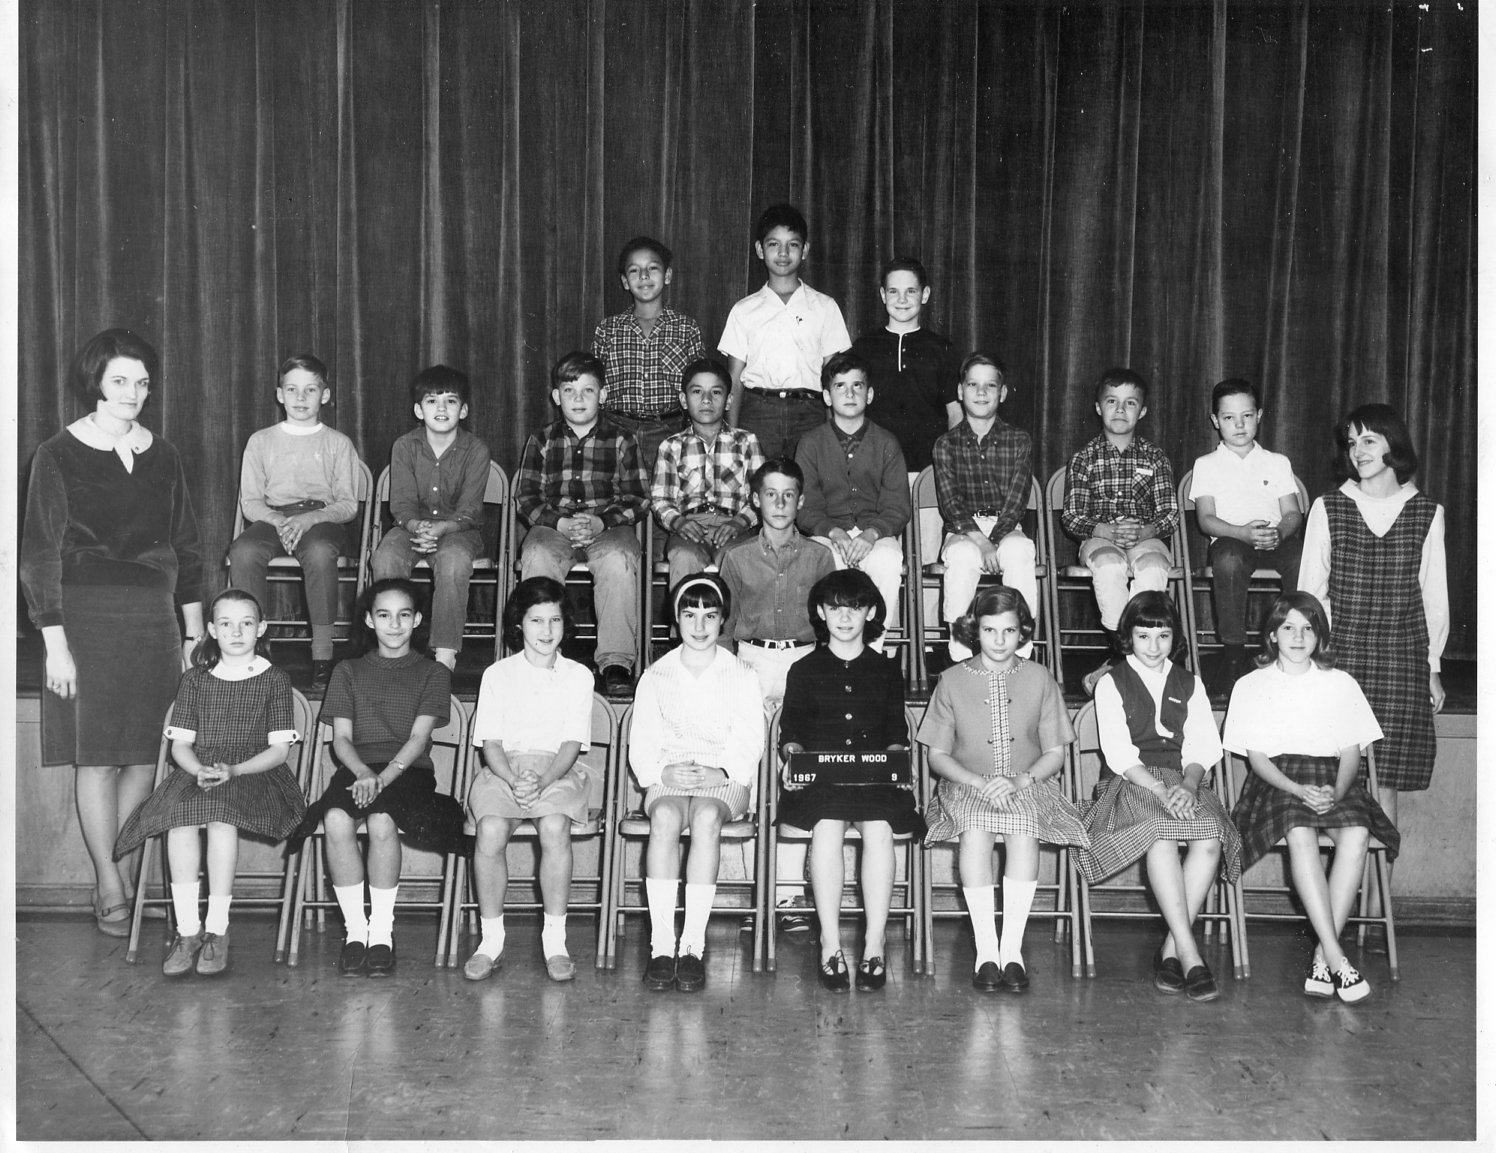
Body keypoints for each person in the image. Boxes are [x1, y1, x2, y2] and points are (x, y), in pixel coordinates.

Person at [21, 328, 206, 937]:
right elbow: (39, 555)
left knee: (144, 756)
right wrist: (55, 644)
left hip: (153, 619)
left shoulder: (165, 454)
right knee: (97, 757)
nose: (132, 392)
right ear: (96, 382)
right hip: (85, 620)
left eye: (142, 383)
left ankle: (124, 869)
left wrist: (192, 634)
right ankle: (108, 880)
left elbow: (187, 547)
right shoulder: (57, 453)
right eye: (120, 380)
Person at [1298, 403, 1446, 946]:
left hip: (1402, 659)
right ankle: (1333, 919)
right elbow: (1310, 592)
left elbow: (1434, 599)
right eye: (1351, 442)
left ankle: (1376, 916)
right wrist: (1311, 662)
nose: (1357, 452)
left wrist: (1432, 668)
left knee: (1387, 789)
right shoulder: (1328, 507)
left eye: (1368, 441)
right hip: (1342, 661)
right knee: (1339, 783)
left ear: (1392, 445)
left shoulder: (1427, 512)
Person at [113, 589, 307, 977]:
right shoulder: (195, 679)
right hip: (199, 770)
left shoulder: (274, 679)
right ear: (212, 630)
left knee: (220, 816)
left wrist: (235, 770)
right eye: (226, 623)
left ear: (261, 628)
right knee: (180, 820)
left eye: (246, 623)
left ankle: (217, 929)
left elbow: (278, 752)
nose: (236, 632)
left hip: (254, 772)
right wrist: (197, 769)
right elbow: (180, 746)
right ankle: (188, 931)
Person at [1223, 592, 1398, 1003]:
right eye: (1288, 628)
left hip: (1333, 778)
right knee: (1299, 830)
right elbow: (1257, 759)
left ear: (1320, 636)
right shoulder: (1251, 685)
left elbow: (1352, 752)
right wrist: (1298, 789)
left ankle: (1322, 956)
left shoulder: (1341, 683)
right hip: (1277, 781)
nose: (1298, 637)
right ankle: (1337, 957)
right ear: (1272, 635)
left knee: (1357, 832)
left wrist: (1337, 790)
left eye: (1307, 628)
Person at [289, 579, 463, 978]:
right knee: (335, 818)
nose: (394, 624)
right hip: (357, 769)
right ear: (369, 620)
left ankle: (381, 933)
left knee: (383, 820)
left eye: (404, 615)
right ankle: (356, 932)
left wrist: (382, 778)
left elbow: (418, 740)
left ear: (417, 620)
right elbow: (342, 740)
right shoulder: (348, 670)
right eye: (384, 615)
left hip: (408, 771)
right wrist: (364, 772)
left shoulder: (433, 672)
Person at [917, 586, 1087, 993]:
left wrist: (1019, 780)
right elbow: (937, 755)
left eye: (1009, 631)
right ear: (974, 630)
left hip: (1027, 782)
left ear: (1022, 631)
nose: (999, 640)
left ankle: (1011, 950)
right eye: (989, 630)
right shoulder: (951, 680)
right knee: (975, 832)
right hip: (967, 784)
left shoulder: (1040, 677)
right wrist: (978, 781)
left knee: (1023, 830)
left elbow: (1055, 754)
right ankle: (986, 952)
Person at [1075, 591, 1243, 1002]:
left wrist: (1188, 785)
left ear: (1174, 638)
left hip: (1184, 781)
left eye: (1163, 636)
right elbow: (1118, 753)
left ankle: (1171, 950)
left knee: (1210, 836)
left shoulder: (1190, 683)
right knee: (1161, 834)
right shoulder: (1111, 683)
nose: (1153, 646)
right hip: (1132, 782)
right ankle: (1190, 954)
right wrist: (1159, 789)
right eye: (1144, 636)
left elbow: (1203, 745)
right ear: (1128, 637)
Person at [776, 570, 922, 992]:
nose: (844, 617)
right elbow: (792, 734)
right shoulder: (802, 669)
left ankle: (875, 942)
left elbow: (895, 732)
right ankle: (830, 942)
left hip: (873, 781)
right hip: (822, 783)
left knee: (879, 829)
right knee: (826, 827)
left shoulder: (886, 670)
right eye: (835, 608)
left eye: (854, 608)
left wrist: (898, 763)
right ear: (821, 613)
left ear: (870, 613)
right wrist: (792, 759)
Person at [629, 575, 765, 993]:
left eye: (710, 615)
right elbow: (643, 743)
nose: (700, 625)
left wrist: (721, 772)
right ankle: (661, 946)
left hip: (722, 777)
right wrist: (661, 773)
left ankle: (692, 945)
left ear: (723, 619)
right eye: (690, 615)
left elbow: (749, 740)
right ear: (676, 619)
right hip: (670, 773)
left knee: (706, 817)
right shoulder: (656, 674)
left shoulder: (742, 673)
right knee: (665, 817)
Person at [463, 577, 596, 984]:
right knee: (489, 830)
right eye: (536, 620)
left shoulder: (578, 675)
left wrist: (543, 779)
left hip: (558, 769)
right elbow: (491, 743)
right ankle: (491, 941)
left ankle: (555, 941)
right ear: (519, 623)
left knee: (554, 826)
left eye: (555, 620)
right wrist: (512, 778)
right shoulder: (497, 674)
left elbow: (571, 744)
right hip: (503, 769)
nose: (546, 630)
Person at [515, 350, 649, 698]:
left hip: (607, 527)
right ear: (556, 396)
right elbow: (526, 498)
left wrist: (602, 522)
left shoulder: (622, 439)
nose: (578, 399)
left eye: (588, 390)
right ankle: (540, 653)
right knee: (536, 555)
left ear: (602, 395)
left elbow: (639, 498)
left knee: (619, 560)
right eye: (569, 391)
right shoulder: (542, 439)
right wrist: (558, 523)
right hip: (554, 525)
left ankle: (616, 663)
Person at [227, 353, 361, 689]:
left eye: (310, 390)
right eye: (292, 389)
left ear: (324, 395)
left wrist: (310, 519)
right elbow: (250, 502)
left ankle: (322, 656)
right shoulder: (260, 441)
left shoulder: (338, 443)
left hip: (320, 519)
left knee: (319, 552)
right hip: (274, 517)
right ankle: (255, 650)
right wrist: (278, 520)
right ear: (279, 394)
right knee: (244, 551)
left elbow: (347, 505)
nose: (300, 398)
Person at [1061, 367, 1179, 692]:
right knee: (1110, 565)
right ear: (1098, 407)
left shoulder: (1155, 458)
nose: (1120, 409)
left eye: (1130, 403)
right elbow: (1072, 517)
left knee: (1153, 567)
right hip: (1100, 538)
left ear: (1142, 411)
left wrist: (1146, 531)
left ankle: (1136, 652)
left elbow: (1170, 514)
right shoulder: (1084, 458)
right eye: (1112, 401)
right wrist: (1105, 531)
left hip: (1146, 538)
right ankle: (1122, 651)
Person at [370, 364, 492, 672]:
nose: (441, 408)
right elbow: (401, 504)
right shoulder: (404, 446)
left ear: (463, 410)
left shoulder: (476, 449)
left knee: (453, 562)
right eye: (432, 400)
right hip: (411, 528)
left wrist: (443, 528)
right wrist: (416, 526)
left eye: (450, 401)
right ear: (418, 409)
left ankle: (444, 658)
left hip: (459, 531)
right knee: (385, 558)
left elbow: (470, 509)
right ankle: (392, 649)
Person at [1187, 378, 1303, 692]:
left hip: (1274, 539)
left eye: (1247, 416)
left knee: (1302, 558)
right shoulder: (1207, 464)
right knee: (1227, 560)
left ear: (1259, 416)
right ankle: (1234, 654)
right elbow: (1206, 520)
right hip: (1232, 539)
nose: (1239, 425)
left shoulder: (1276, 462)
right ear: (1215, 421)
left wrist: (1280, 532)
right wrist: (1241, 532)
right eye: (1229, 417)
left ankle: (1294, 646)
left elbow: (1292, 513)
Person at [795, 350, 911, 652]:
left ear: (869, 394)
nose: (849, 394)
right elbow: (806, 508)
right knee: (821, 559)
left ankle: (872, 650)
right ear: (827, 396)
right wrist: (835, 533)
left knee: (888, 560)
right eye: (840, 386)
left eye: (857, 386)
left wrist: (872, 534)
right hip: (829, 534)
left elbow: (898, 506)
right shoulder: (810, 443)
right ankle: (829, 650)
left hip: (876, 534)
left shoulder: (886, 442)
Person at [720, 203, 851, 460]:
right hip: (757, 412)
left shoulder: (824, 306)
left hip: (810, 412)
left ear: (805, 250)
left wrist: (833, 431)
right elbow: (734, 380)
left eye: (792, 244)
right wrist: (732, 435)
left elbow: (832, 376)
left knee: (808, 481)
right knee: (757, 480)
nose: (783, 253)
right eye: (773, 244)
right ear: (760, 250)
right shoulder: (743, 310)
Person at [931, 352, 1039, 663]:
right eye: (973, 384)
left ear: (1002, 393)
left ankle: (1022, 651)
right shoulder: (945, 444)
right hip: (963, 531)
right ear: (960, 391)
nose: (981, 392)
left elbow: (1017, 502)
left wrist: (996, 539)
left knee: (1020, 551)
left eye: (990, 385)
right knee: (962, 556)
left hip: (1006, 527)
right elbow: (951, 504)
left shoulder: (1019, 440)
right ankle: (961, 653)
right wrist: (981, 541)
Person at [718, 459, 836, 709]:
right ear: (756, 499)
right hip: (752, 661)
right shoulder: (737, 557)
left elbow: (830, 624)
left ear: (800, 501)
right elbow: (725, 626)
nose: (780, 504)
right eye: (771, 494)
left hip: (804, 659)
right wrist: (725, 674)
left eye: (788, 495)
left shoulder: (820, 556)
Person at [592, 235, 706, 472]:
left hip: (669, 430)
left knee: (664, 491)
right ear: (625, 281)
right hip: (616, 429)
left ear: (667, 275)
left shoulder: (686, 328)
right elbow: (593, 383)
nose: (644, 276)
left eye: (652, 268)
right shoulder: (608, 329)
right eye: (634, 270)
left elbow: (699, 385)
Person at [650, 357, 764, 590]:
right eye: (697, 392)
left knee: (737, 558)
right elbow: (660, 500)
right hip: (688, 528)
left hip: (734, 526)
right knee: (684, 556)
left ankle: (733, 616)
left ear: (729, 400)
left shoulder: (746, 442)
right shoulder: (671, 446)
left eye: (716, 392)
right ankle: (683, 615)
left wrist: (739, 522)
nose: (706, 400)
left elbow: (761, 496)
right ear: (684, 400)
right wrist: (678, 522)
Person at [850, 256, 961, 474]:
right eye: (893, 291)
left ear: (925, 294)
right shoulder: (864, 347)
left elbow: (955, 412)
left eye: (910, 291)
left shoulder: (942, 349)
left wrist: (949, 463)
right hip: (876, 468)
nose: (902, 299)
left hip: (929, 468)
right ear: (883, 295)